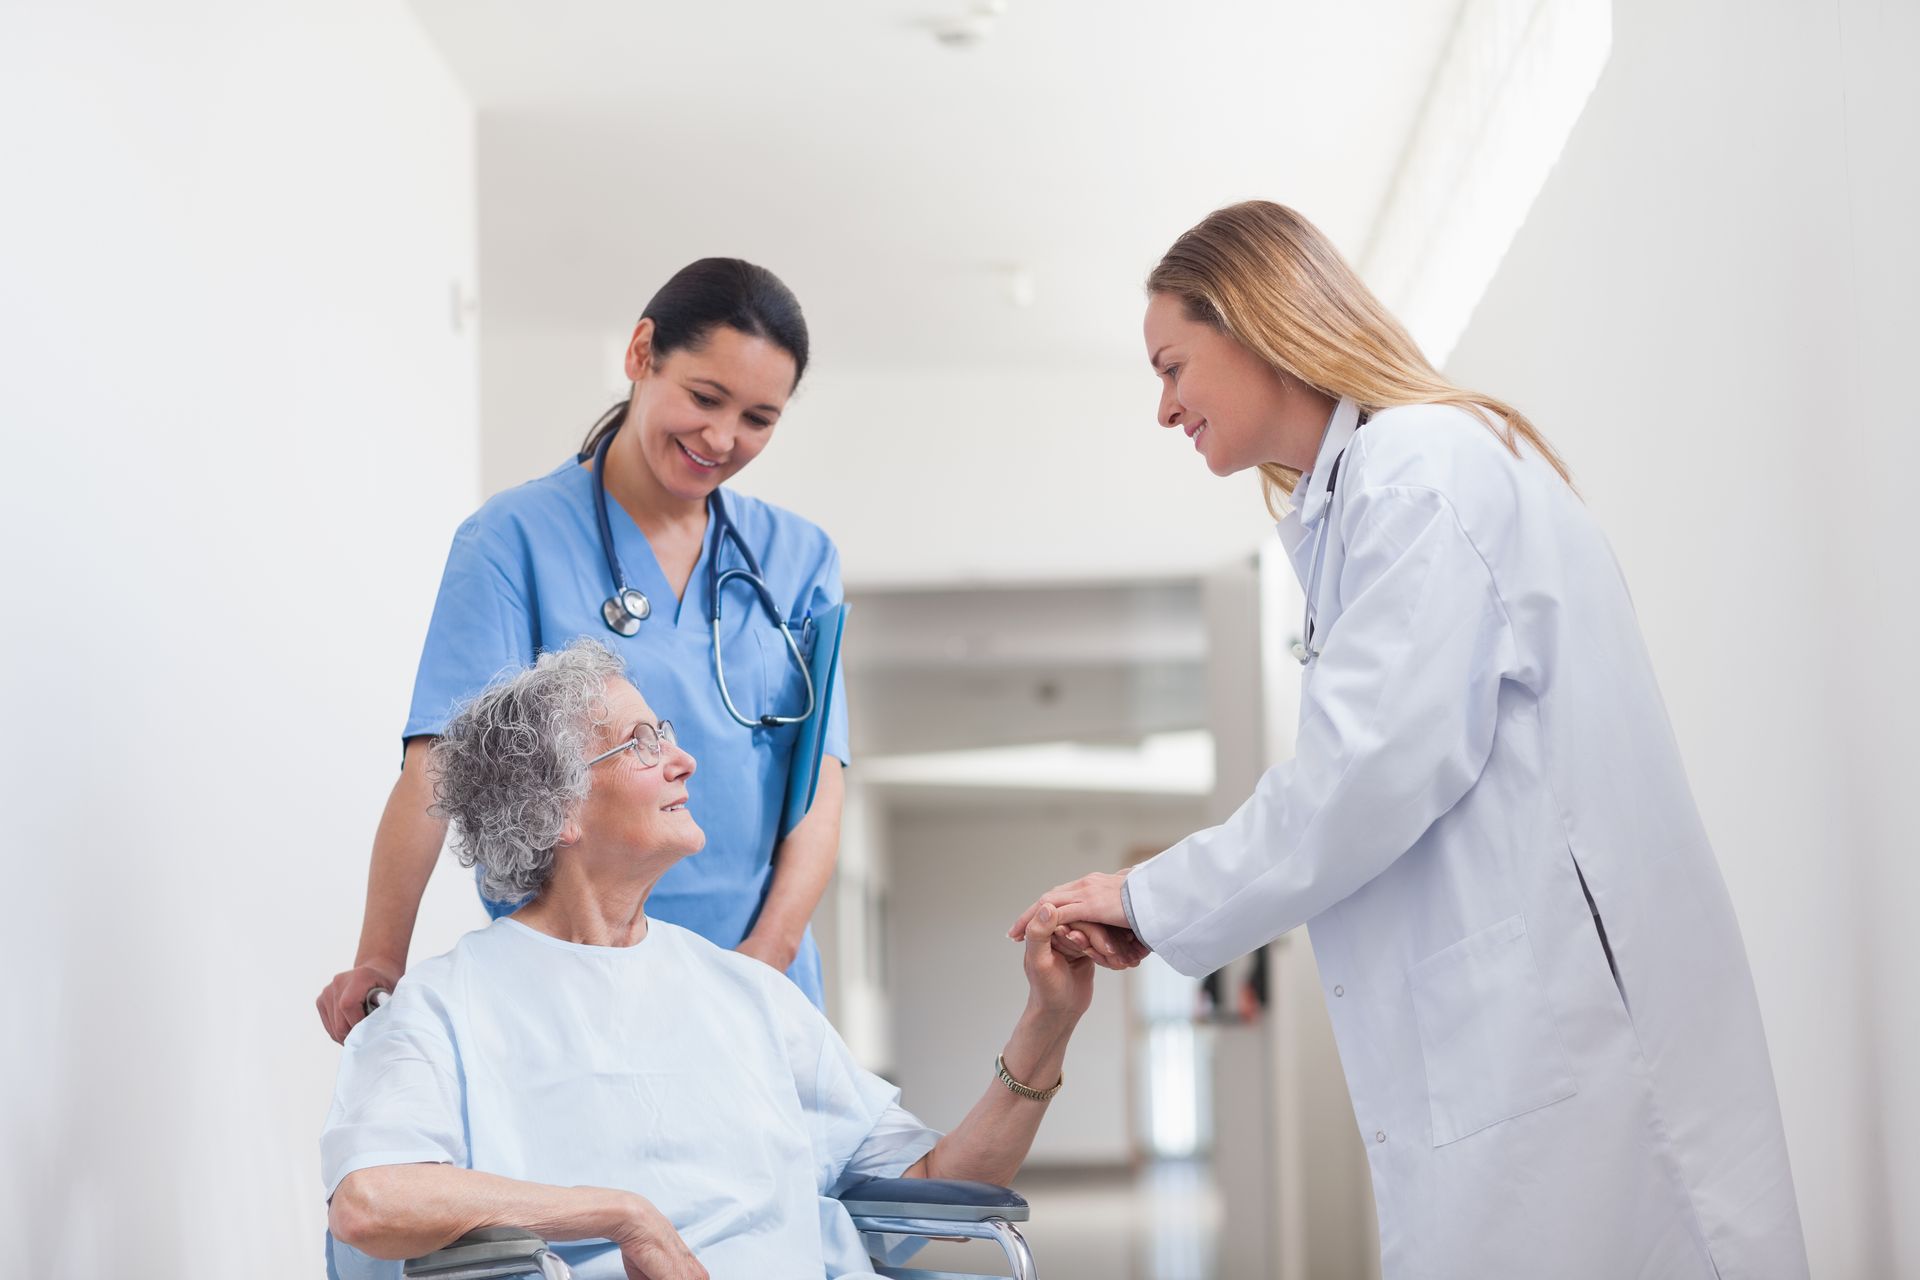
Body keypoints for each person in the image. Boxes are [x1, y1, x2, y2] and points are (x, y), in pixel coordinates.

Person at [1010, 201, 1808, 1279]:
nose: (1164, 409)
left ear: (1251, 323)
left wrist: (1149, 896)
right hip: (1513, 1043)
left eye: (1173, 365)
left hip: (1563, 1038)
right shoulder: (1371, 495)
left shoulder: (1421, 471)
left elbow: (1360, 780)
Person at [323, 641, 1096, 1280]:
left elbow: (938, 1183)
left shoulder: (747, 994)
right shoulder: (446, 1006)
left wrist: (1048, 1021)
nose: (684, 760)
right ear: (553, 809)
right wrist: (621, 1215)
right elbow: (370, 1201)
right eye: (644, 742)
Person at [317, 259, 849, 1040]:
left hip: (760, 981)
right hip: (572, 980)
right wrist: (380, 957)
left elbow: (820, 788)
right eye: (704, 398)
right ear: (641, 353)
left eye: (758, 418)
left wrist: (765, 963)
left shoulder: (800, 559)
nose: (722, 437)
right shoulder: (511, 541)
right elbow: (438, 760)